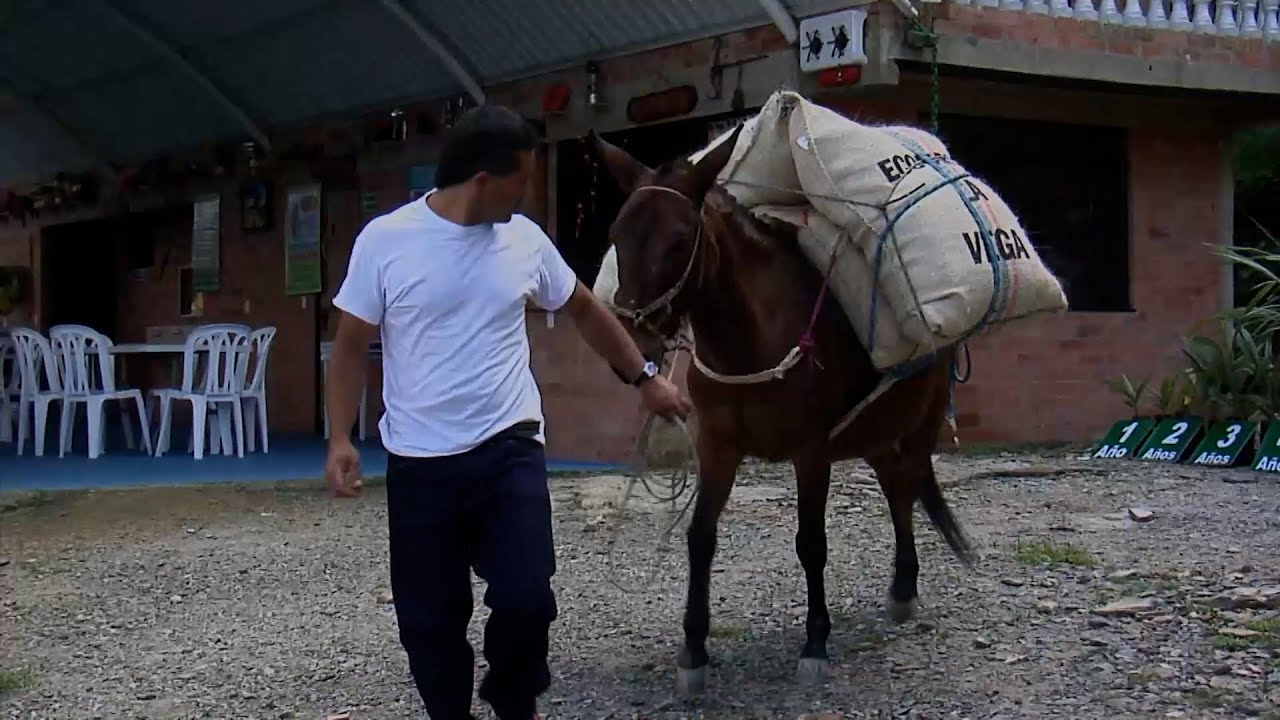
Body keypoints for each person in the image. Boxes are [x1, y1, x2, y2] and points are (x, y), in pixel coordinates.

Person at [323, 104, 692, 720]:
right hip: (421, 462)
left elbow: (584, 309)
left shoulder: (523, 239)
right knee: (430, 619)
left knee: (526, 597)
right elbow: (350, 342)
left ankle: (513, 702)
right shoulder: (386, 242)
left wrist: (644, 378)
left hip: (509, 447)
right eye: (521, 179)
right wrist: (338, 437)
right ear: (482, 179)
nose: (527, 193)